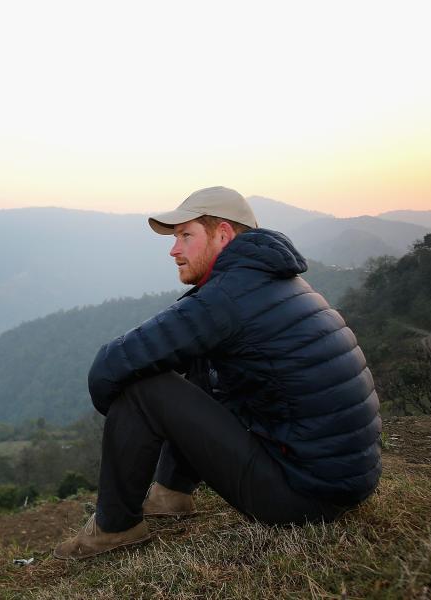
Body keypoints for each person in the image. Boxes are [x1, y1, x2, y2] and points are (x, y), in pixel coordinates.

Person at [54, 186, 381, 560]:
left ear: (223, 234)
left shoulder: (227, 297)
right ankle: (171, 494)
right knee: (193, 360)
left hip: (303, 499)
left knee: (143, 387)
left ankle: (114, 528)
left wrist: (127, 413)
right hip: (342, 482)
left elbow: (109, 366)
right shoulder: (277, 281)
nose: (174, 250)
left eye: (186, 236)